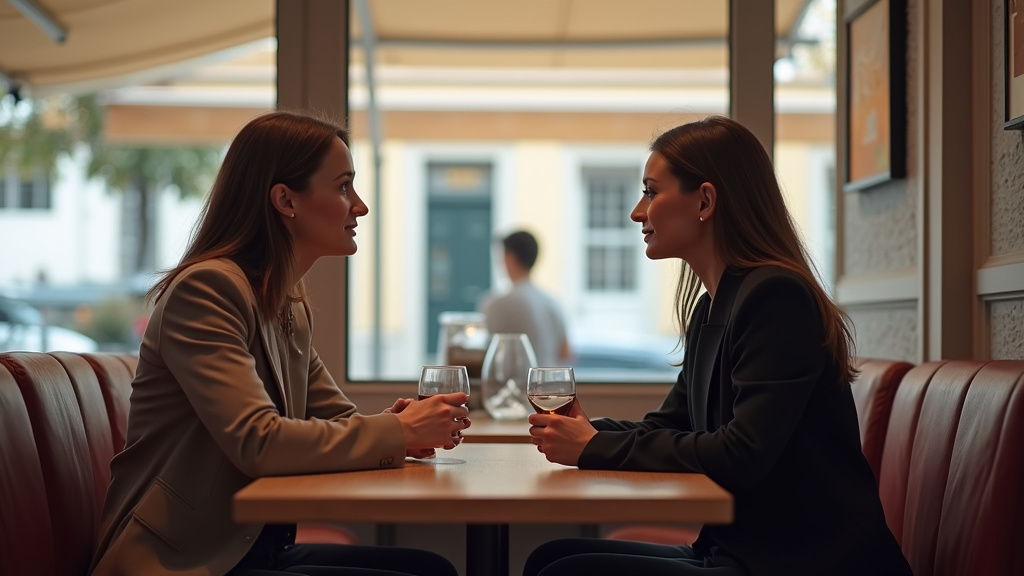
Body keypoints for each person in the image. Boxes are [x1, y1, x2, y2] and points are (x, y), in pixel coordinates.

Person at [523, 116, 913, 576]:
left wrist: (594, 446)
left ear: (705, 201)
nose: (637, 212)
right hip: (740, 551)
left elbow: (742, 453)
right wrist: (587, 431)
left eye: (650, 192)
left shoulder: (776, 298)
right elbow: (672, 424)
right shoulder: (713, 306)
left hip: (803, 562)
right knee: (549, 557)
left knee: (562, 572)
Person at [89, 111, 469, 576]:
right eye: (343, 187)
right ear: (285, 199)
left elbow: (338, 421)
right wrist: (399, 432)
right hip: (180, 561)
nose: (360, 207)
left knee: (430, 569)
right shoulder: (208, 290)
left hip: (248, 549)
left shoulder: (287, 302)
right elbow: (259, 442)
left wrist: (400, 424)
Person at [478, 230, 570, 366]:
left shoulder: (495, 304)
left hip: (509, 379)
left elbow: (482, 351)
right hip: (546, 378)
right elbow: (565, 353)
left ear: (510, 259)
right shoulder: (553, 304)